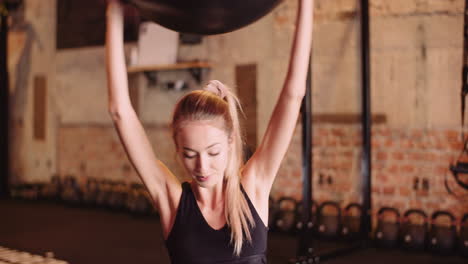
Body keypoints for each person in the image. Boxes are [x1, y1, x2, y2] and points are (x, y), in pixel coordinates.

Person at [105, 0, 313, 263]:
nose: (202, 166)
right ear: (178, 150)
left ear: (230, 142)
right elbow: (120, 111)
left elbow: (294, 94)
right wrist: (114, 11)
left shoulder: (255, 186)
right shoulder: (173, 201)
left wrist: (306, 4)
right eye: (190, 154)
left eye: (213, 152)